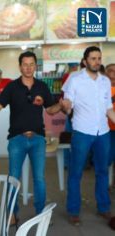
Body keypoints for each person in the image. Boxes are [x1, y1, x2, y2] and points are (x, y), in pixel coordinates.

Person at [0, 51, 64, 220]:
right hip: (17, 139)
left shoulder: (42, 86)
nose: (29, 67)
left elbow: (50, 110)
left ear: (35, 66)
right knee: (13, 177)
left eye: (32, 64)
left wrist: (60, 106)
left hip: (38, 139)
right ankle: (12, 213)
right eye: (25, 64)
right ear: (20, 67)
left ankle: (40, 214)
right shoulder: (12, 87)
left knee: (39, 178)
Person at [62, 46, 115, 226]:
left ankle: (104, 208)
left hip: (103, 132)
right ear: (85, 61)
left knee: (102, 171)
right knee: (76, 172)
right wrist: (66, 105)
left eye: (99, 58)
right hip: (82, 132)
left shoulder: (105, 81)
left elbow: (109, 109)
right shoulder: (75, 79)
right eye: (93, 58)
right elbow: (68, 104)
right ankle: (73, 211)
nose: (97, 62)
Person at [106, 64, 115, 170]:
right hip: (106, 130)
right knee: (107, 158)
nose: (112, 74)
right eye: (110, 71)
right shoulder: (100, 88)